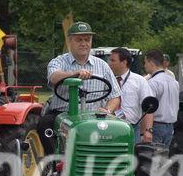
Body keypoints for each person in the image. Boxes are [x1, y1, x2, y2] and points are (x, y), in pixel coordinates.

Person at [38, 22, 121, 154]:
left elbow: (115, 96)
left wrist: (108, 109)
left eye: (87, 40)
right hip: (63, 115)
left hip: (94, 116)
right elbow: (53, 77)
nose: (84, 43)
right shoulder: (59, 61)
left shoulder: (103, 65)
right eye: (79, 40)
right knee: (44, 123)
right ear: (70, 41)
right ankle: (55, 163)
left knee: (120, 129)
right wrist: (74, 74)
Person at [108, 47, 153, 142]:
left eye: (113, 60)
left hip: (131, 129)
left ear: (124, 62)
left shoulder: (140, 81)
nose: (109, 63)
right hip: (108, 129)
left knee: (131, 156)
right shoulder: (107, 80)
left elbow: (149, 107)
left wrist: (148, 131)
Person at [142, 49, 179, 146]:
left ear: (151, 63)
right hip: (170, 127)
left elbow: (149, 108)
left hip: (156, 126)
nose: (144, 65)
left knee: (152, 158)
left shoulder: (152, 83)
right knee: (163, 158)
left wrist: (147, 130)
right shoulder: (174, 82)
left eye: (145, 62)